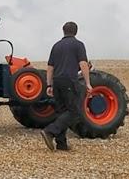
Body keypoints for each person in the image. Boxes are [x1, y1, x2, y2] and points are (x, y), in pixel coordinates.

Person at [40, 21, 93, 151]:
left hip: (57, 81)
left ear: (63, 31)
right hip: (69, 80)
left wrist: (49, 85)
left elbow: (50, 67)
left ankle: (61, 144)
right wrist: (88, 83)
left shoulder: (56, 46)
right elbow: (83, 64)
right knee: (74, 112)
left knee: (61, 112)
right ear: (76, 31)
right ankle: (50, 131)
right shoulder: (78, 45)